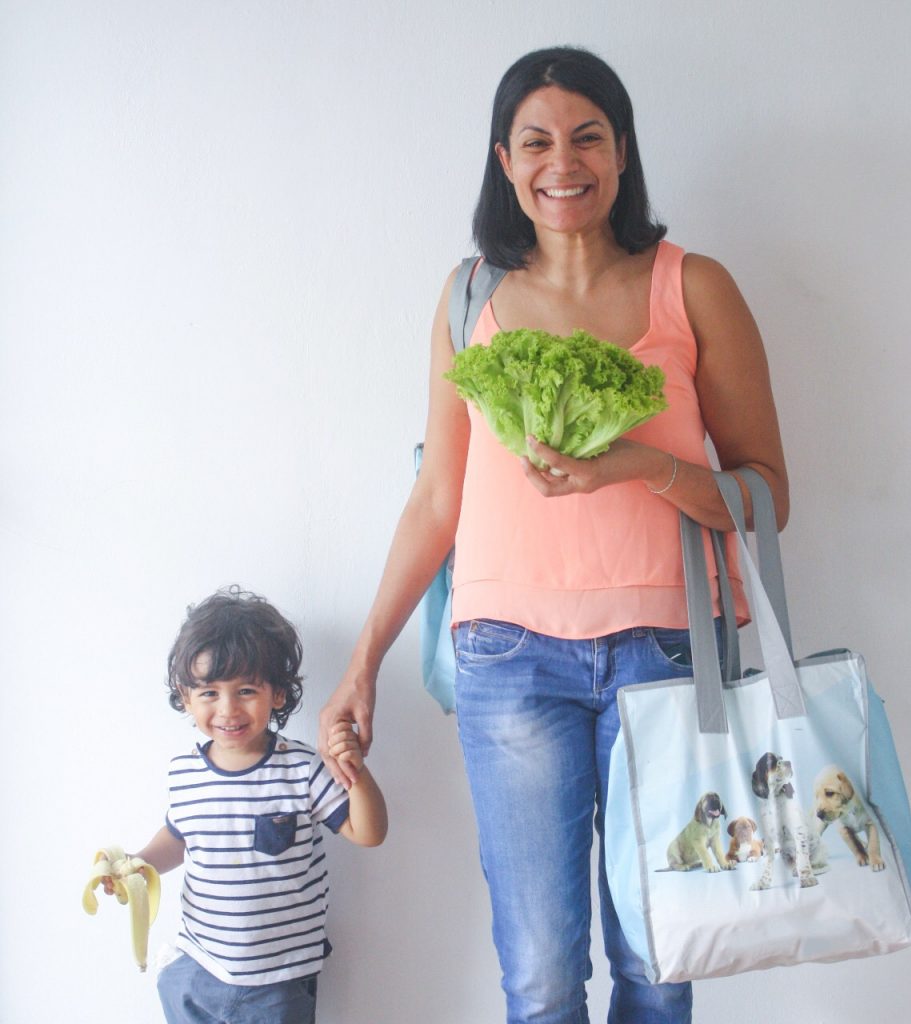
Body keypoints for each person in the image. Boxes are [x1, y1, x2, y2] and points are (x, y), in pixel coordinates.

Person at [318, 46, 787, 1024]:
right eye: (535, 142)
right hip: (508, 661)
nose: (561, 163)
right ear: (504, 160)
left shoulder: (693, 286)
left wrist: (641, 464)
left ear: (622, 152)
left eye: (586, 137)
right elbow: (436, 501)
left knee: (660, 961)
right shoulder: (469, 297)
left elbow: (765, 498)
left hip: (669, 658)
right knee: (538, 977)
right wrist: (363, 662)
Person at [99, 587, 387, 1024]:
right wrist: (140, 865)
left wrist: (356, 771)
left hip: (279, 981)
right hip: (198, 967)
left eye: (246, 690)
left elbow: (369, 833)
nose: (228, 709)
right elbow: (177, 837)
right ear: (186, 695)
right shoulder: (184, 772)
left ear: (278, 693)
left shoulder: (302, 768)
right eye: (209, 693)